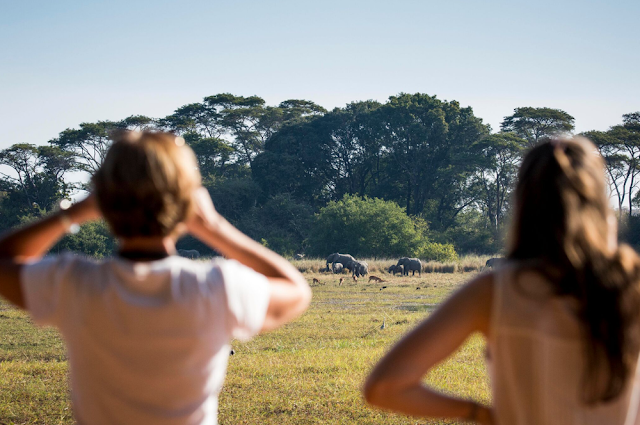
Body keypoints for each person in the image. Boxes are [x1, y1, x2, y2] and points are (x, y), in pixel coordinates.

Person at [0, 131, 312, 425]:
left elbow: (5, 260)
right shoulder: (216, 287)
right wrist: (214, 226)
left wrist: (74, 212)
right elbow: (297, 290)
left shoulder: (73, 283)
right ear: (189, 202)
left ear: (104, 200)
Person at [364, 137, 640, 424]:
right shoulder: (633, 284)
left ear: (523, 206)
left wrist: (478, 412)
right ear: (601, 207)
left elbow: (383, 387)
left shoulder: (495, 291)